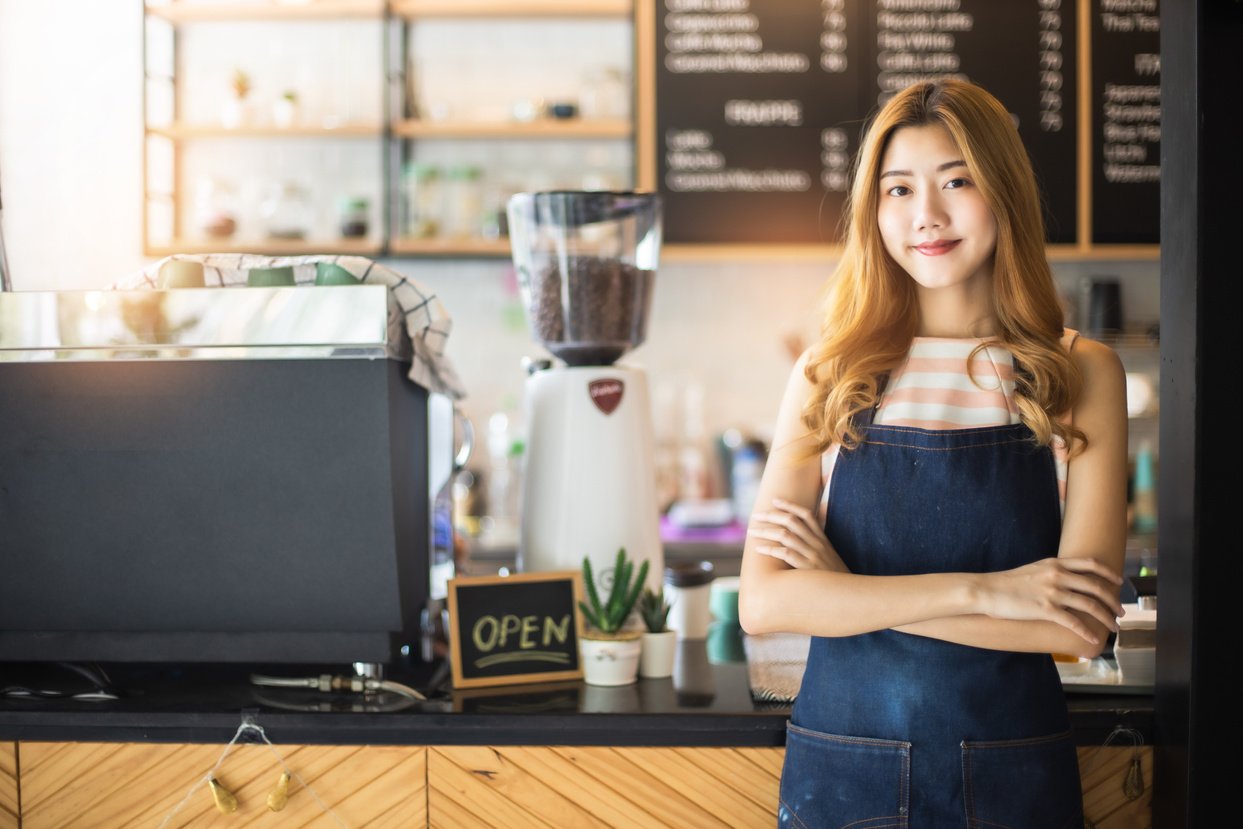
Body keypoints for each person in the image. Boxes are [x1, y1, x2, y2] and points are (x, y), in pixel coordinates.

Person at [738, 78, 1128, 828]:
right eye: (898, 188)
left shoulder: (1078, 372)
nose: (927, 216)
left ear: (1002, 190)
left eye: (957, 181)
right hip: (843, 771)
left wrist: (847, 592)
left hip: (1011, 772)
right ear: (872, 208)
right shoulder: (830, 371)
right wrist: (989, 592)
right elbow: (765, 602)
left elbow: (1073, 627)